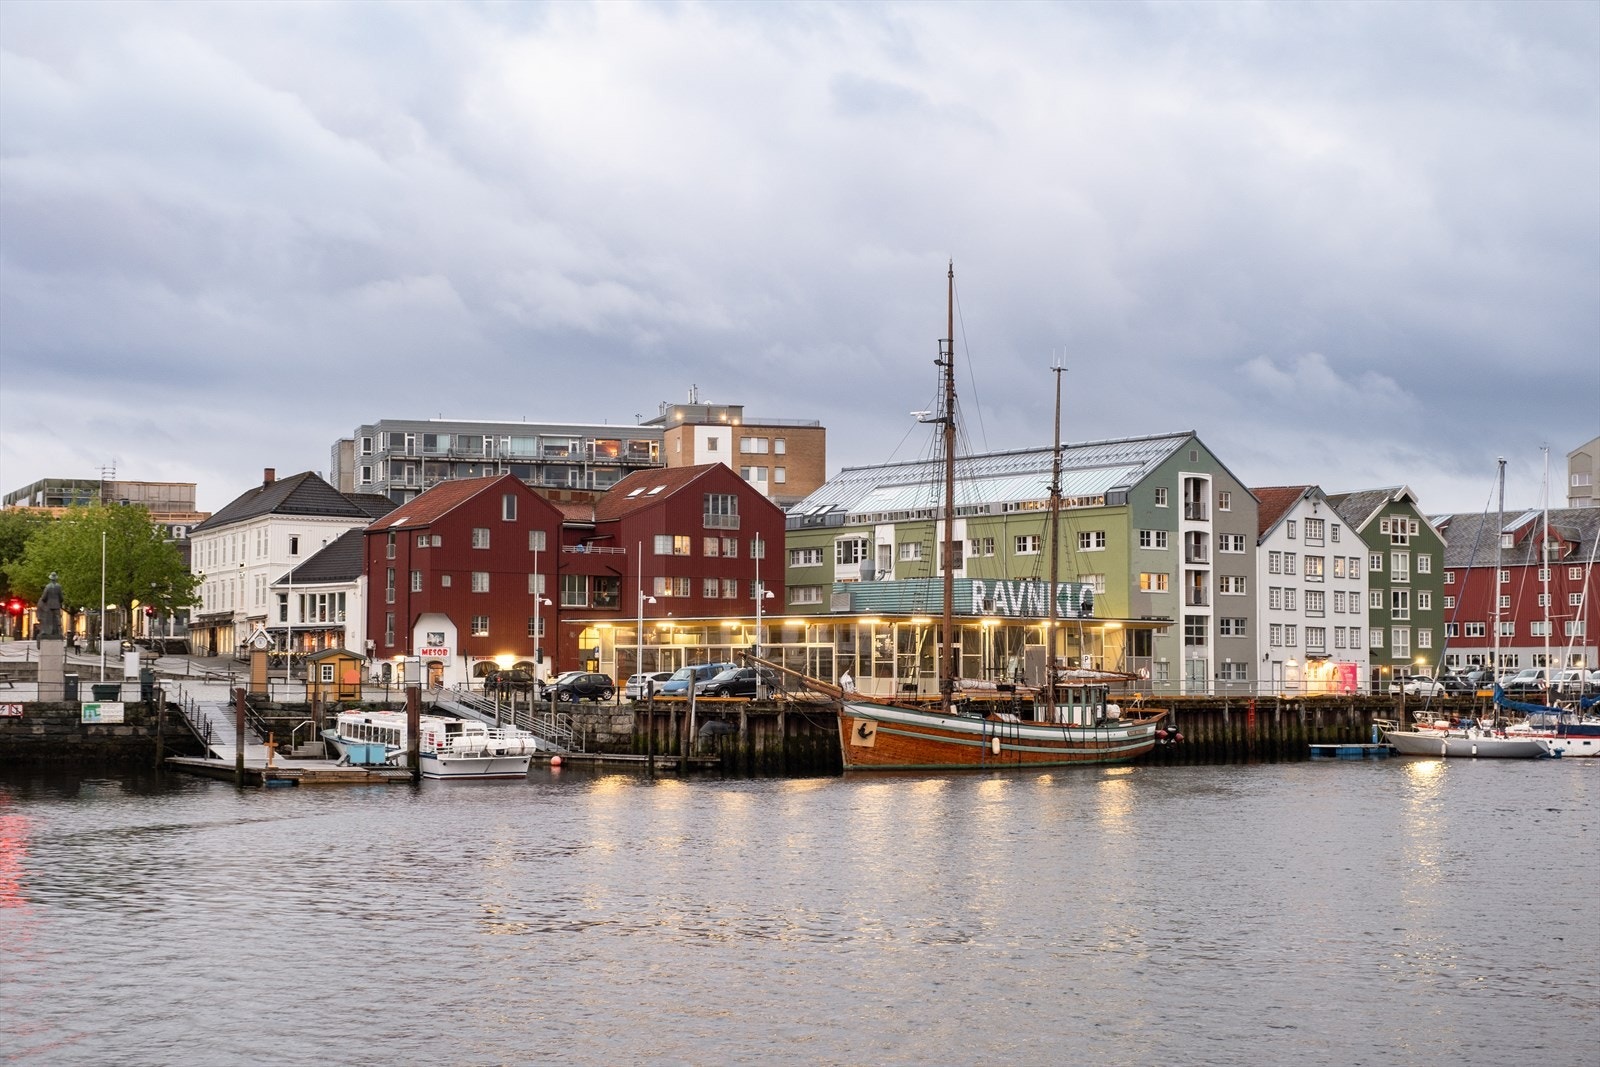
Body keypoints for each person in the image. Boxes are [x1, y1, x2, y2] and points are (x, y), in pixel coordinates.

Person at [36, 572, 64, 641]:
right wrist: (58, 601)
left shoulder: (47, 587)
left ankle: (48, 631)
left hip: (49, 606)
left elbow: (44, 597)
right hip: (57, 605)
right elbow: (61, 597)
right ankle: (58, 632)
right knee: (57, 619)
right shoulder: (59, 586)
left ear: (50, 579)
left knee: (49, 620)